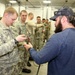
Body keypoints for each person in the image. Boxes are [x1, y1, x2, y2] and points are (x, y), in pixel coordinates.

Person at [24, 7, 75, 75]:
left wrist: (30, 49)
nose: (54, 24)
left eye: (56, 20)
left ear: (63, 19)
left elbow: (39, 58)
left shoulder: (58, 38)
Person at [0, 7, 26, 75]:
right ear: (6, 15)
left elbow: (15, 43)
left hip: (14, 64)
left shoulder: (11, 28)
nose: (14, 22)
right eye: (13, 19)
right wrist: (15, 41)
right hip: (4, 68)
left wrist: (22, 42)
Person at [13, 10, 31, 74]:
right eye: (23, 15)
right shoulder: (17, 24)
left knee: (25, 58)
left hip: (25, 45)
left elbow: (26, 33)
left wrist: (28, 38)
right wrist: (24, 43)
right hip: (20, 47)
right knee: (19, 61)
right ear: (20, 16)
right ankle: (19, 72)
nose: (24, 17)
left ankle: (23, 68)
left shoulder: (26, 24)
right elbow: (16, 37)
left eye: (25, 15)